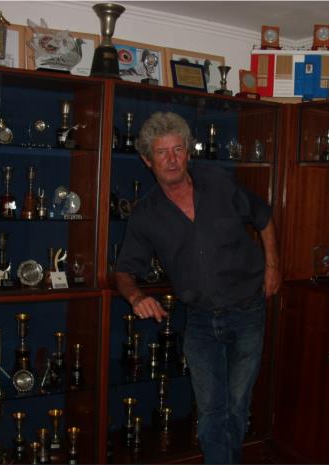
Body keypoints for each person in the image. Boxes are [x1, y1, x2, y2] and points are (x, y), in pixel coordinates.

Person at [114, 111, 282, 464]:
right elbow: (125, 271)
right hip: (201, 321)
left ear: (188, 152)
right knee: (210, 411)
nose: (172, 159)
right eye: (162, 152)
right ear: (147, 160)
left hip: (248, 311)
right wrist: (136, 296)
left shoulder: (219, 183)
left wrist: (272, 266)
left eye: (178, 149)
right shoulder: (146, 214)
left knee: (236, 406)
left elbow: (263, 216)